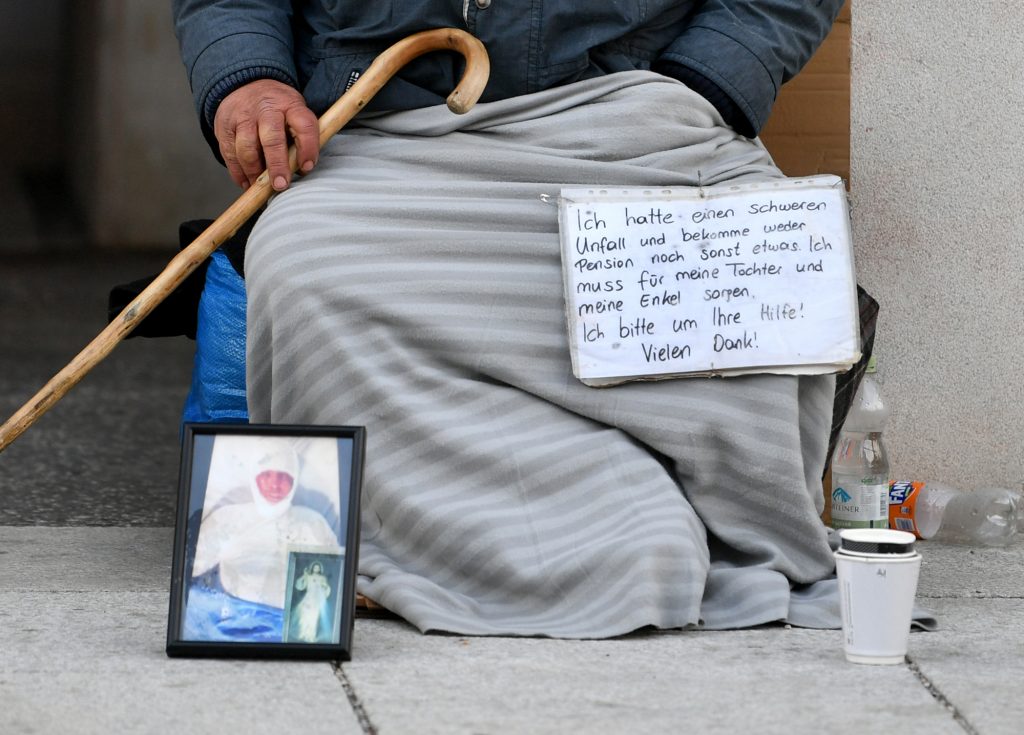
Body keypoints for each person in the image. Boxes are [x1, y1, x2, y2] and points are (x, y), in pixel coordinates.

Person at [173, 1, 850, 637]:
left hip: (636, 124)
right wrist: (250, 81)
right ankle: (614, 529)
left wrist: (711, 79)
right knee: (302, 261)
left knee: (768, 280)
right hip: (384, 139)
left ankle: (621, 517)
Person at [184, 436, 342, 641]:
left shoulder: (311, 523)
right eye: (267, 475)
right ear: (254, 476)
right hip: (229, 621)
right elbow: (189, 569)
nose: (275, 485)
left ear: (294, 479)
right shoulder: (229, 518)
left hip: (290, 626)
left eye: (284, 476)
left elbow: (330, 583)